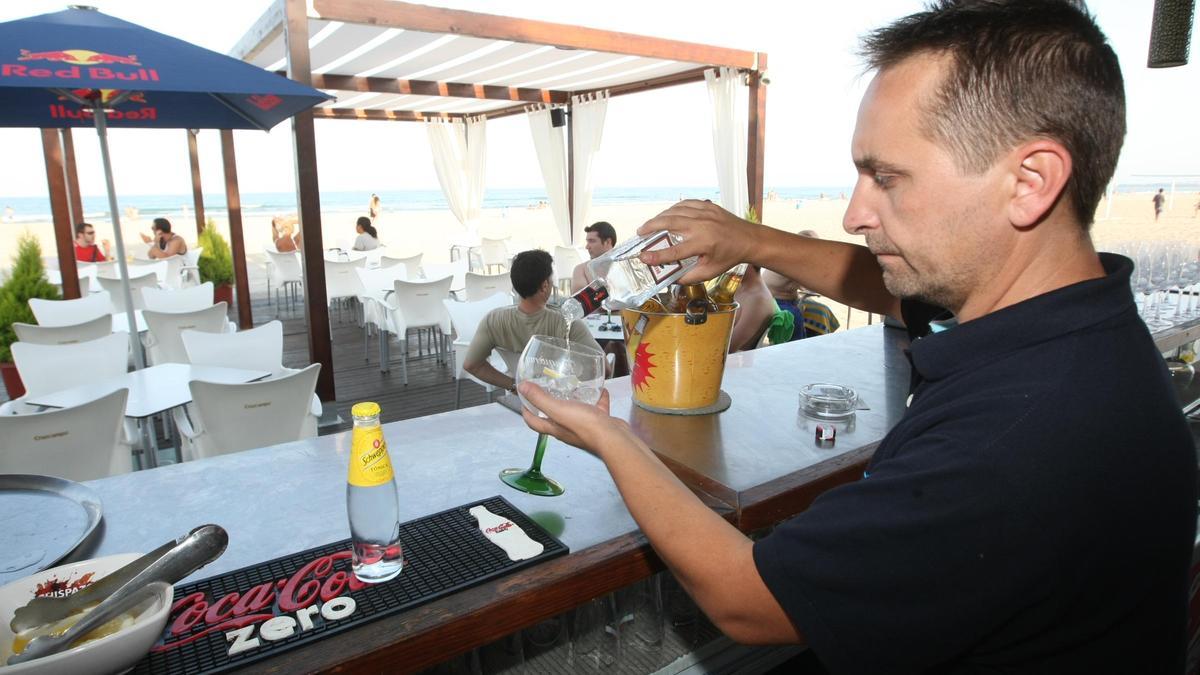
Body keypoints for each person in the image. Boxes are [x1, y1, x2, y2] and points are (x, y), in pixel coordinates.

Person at [517, 2, 1197, 672]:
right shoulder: (1070, 325)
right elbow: (888, 290)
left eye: (887, 177)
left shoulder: (1019, 438)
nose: (853, 211)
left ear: (1030, 181)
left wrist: (611, 437)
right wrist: (748, 238)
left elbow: (748, 598)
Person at [464, 249, 601, 393]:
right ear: (544, 286)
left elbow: (471, 365)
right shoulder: (568, 322)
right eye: (551, 279)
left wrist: (515, 385)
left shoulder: (493, 321)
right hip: (560, 400)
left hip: (520, 399)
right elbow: (600, 368)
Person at [570, 221, 617, 293]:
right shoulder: (581, 269)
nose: (587, 247)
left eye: (592, 241)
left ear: (608, 242)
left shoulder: (625, 266)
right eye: (587, 241)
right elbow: (580, 301)